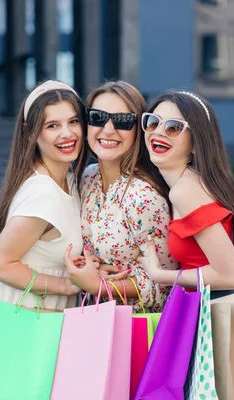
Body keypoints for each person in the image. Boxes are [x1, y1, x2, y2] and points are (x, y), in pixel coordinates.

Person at [137, 89, 234, 398]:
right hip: (222, 322)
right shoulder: (183, 185)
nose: (159, 133)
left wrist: (158, 273)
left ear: (196, 143)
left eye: (174, 127)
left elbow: (233, 275)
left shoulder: (186, 191)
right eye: (153, 122)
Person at [64, 81, 178, 312]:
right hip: (93, 323)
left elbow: (165, 284)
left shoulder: (143, 196)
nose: (108, 130)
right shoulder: (87, 178)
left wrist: (99, 286)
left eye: (123, 121)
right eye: (97, 117)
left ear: (139, 129)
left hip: (138, 333)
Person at [0, 80, 90, 310]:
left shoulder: (69, 181)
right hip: (27, 320)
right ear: (30, 132)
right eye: (52, 126)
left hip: (44, 315)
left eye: (73, 121)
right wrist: (66, 285)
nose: (67, 133)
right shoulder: (43, 193)